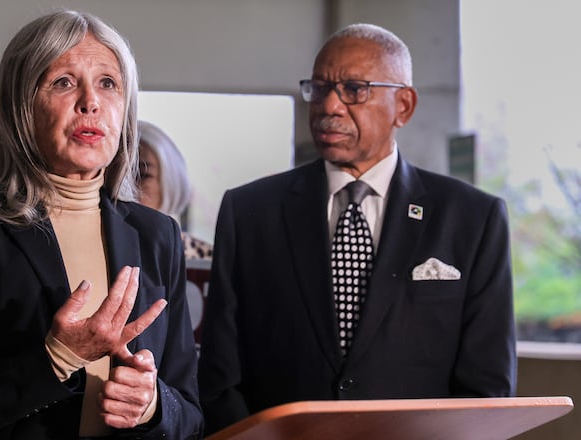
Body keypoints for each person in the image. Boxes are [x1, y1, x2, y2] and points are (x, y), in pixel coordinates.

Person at [0, 9, 202, 440]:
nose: (90, 101)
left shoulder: (157, 234)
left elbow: (191, 416)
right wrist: (54, 358)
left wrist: (151, 406)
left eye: (108, 83)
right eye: (63, 82)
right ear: (21, 105)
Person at [197, 23, 517, 434]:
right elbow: (220, 373)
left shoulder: (473, 219)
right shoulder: (249, 212)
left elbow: (487, 389)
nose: (329, 105)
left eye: (354, 89)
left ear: (403, 105)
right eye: (319, 87)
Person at [137, 120, 213, 260]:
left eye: (142, 175)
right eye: (118, 175)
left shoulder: (203, 260)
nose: (127, 187)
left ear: (170, 180)